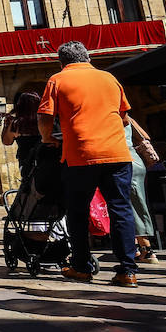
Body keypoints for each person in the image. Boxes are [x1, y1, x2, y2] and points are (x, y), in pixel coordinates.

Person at [38, 41, 138, 287]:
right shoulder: (109, 79)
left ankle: (81, 266)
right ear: (88, 58)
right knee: (121, 210)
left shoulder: (58, 80)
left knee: (78, 211)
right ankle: (128, 271)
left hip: (81, 155)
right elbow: (124, 117)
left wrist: (47, 137)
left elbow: (44, 116)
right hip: (117, 154)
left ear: (62, 62)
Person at [124, 115, 161, 264]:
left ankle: (147, 250)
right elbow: (144, 136)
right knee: (133, 205)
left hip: (125, 162)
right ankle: (136, 249)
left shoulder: (107, 117)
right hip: (136, 161)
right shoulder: (125, 116)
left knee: (133, 207)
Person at [0, 91, 43, 179]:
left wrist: (9, 125)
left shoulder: (16, 122)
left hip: (26, 160)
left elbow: (7, 141)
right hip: (47, 157)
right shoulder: (44, 120)